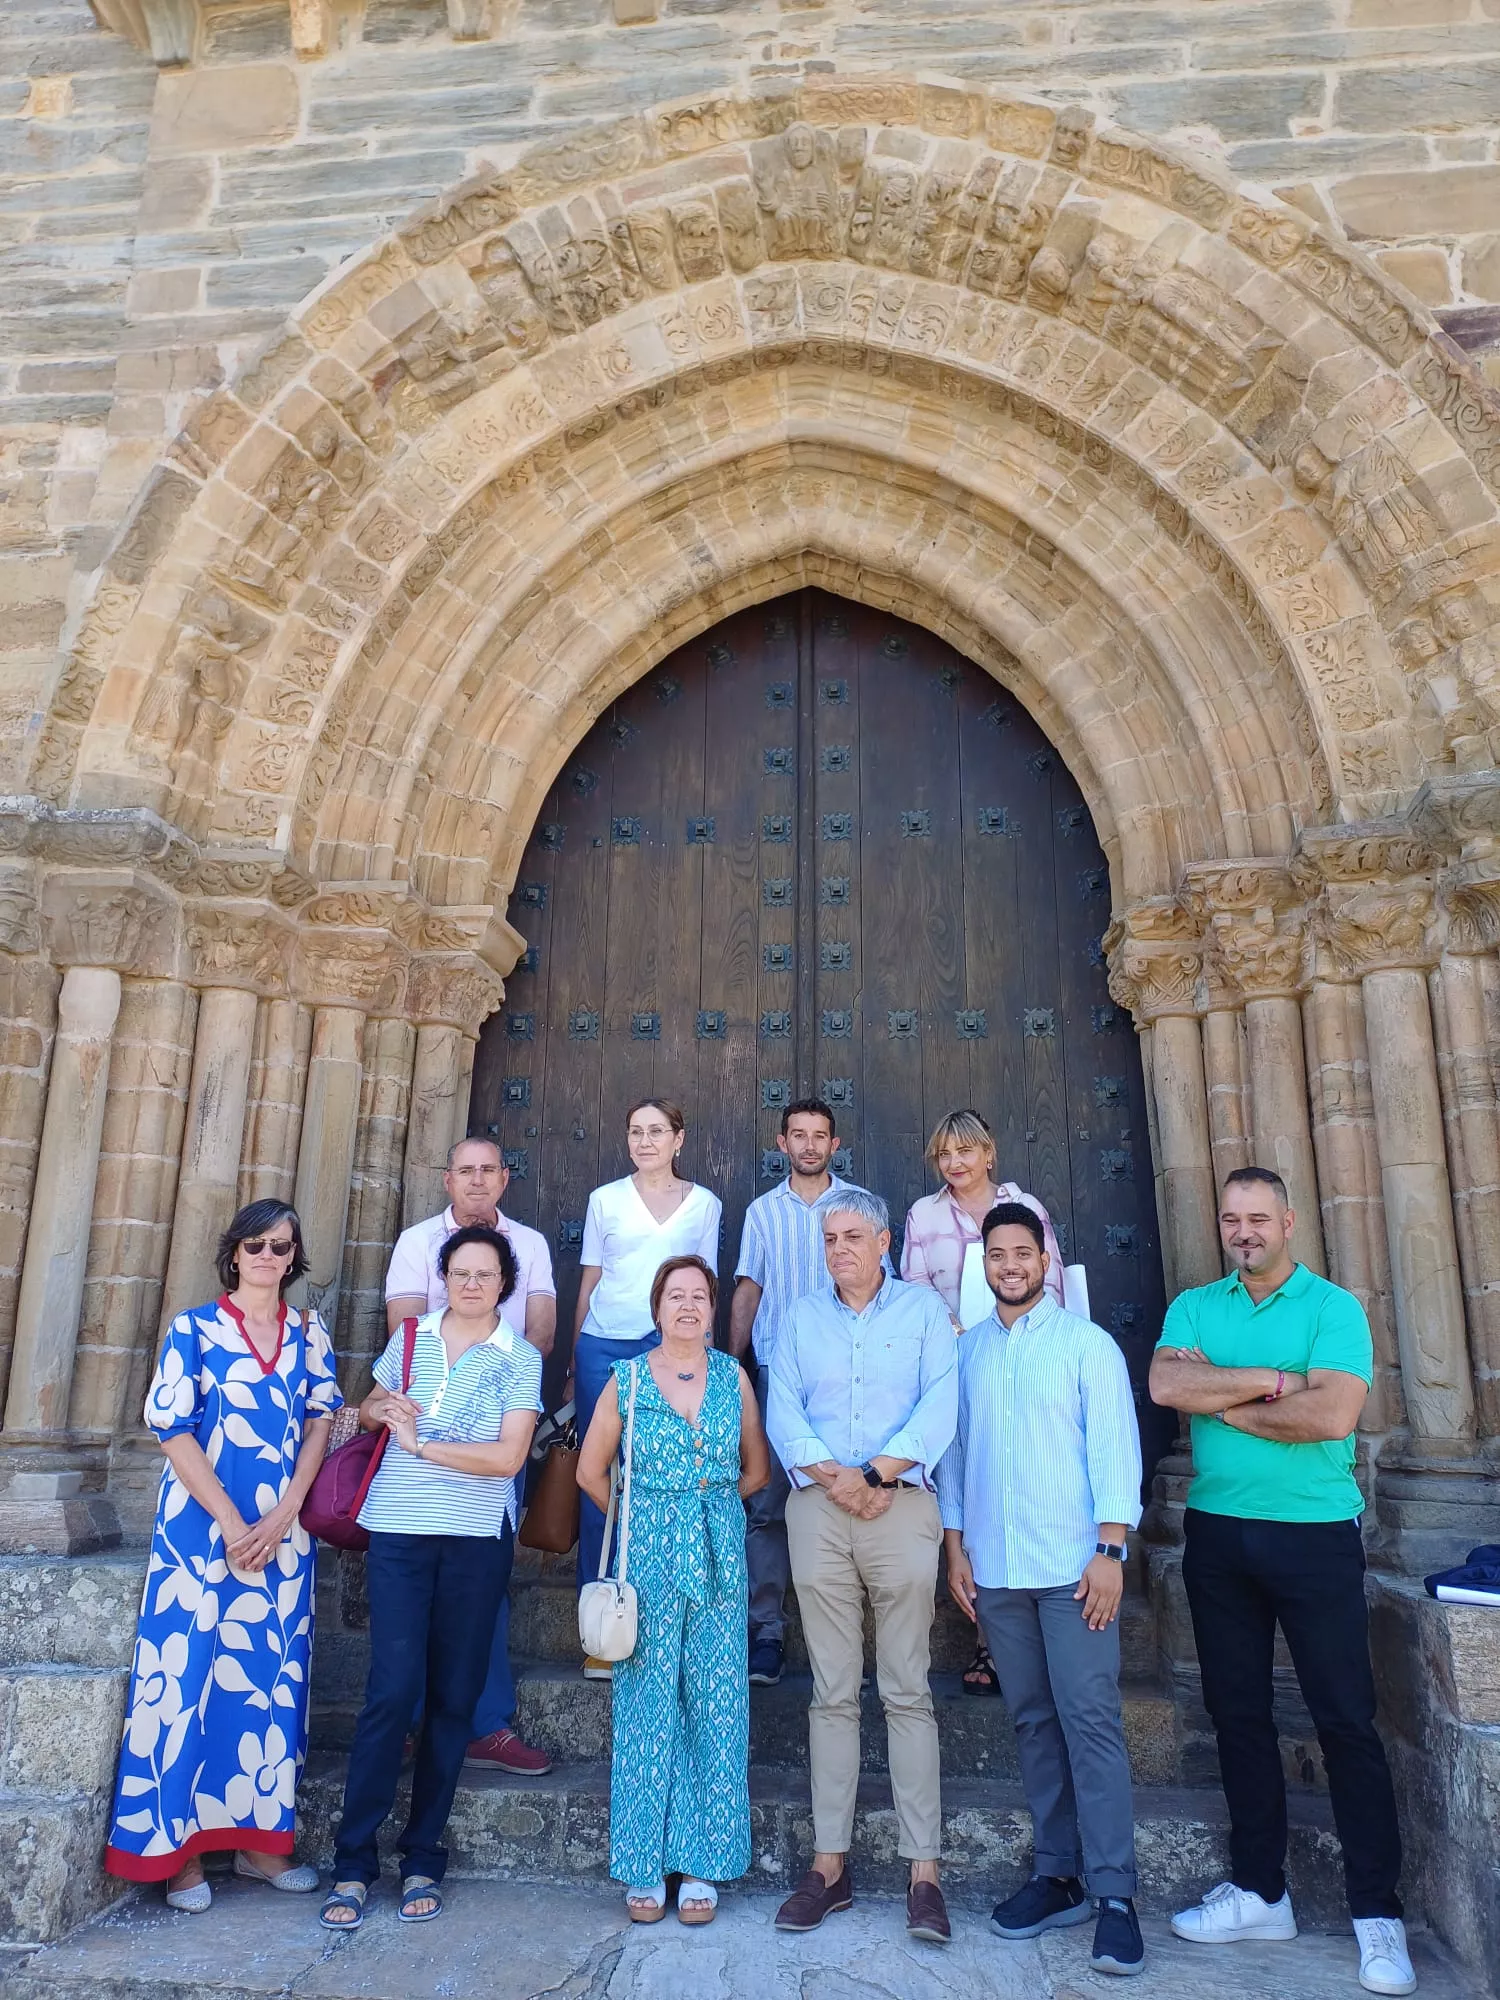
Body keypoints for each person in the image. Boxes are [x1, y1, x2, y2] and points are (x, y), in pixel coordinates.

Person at [1149, 1167, 1415, 1999]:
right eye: (1232, 1220)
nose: (1245, 1232)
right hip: (1220, 1533)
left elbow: (1333, 1416)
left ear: (1289, 1222)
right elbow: (1166, 1385)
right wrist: (1272, 1383)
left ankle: (1378, 1914)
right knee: (1238, 1716)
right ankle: (1263, 1891)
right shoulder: (1194, 1307)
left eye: (1259, 1218)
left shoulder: (1333, 1308)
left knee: (1345, 1719)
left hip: (1314, 1535)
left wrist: (1218, 1395)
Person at [105, 1201, 339, 1912]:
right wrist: (238, 1523)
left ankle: (261, 1848)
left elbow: (321, 1418)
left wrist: (287, 1510)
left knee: (267, 1681)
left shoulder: (308, 1332)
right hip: (204, 1533)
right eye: (258, 1245)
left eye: (282, 1247)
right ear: (234, 1251)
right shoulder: (194, 1329)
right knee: (187, 1682)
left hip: (282, 1535)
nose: (270, 1256)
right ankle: (179, 1859)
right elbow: (171, 1428)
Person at [939, 1202, 1145, 1978]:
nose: (1010, 1266)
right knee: (1030, 1720)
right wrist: (956, 1549)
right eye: (997, 1255)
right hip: (996, 1569)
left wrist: (1109, 1550)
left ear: (1045, 1258)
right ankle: (1056, 1876)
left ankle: (1116, 1895)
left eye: (1023, 1252)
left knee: (1090, 1720)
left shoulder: (1088, 1347)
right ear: (983, 1264)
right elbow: (955, 1460)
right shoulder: (969, 1356)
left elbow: (1115, 1451)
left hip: (1073, 1570)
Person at [321, 1225, 542, 1931]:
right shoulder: (410, 1337)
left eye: (485, 1274)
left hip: (477, 1541)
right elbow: (367, 1410)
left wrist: (427, 1445)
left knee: (452, 1700)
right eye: (460, 1273)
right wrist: (378, 1410)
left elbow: (508, 1459)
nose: (472, 1284)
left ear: (503, 1284)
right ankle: (353, 1863)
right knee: (390, 1693)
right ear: (444, 1277)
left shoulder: (521, 1357)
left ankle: (422, 1855)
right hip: (399, 1533)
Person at [766, 1189, 959, 1945]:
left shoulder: (921, 1314)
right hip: (819, 1508)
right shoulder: (800, 1318)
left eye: (853, 1236)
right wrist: (836, 1478)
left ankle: (925, 1874)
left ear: (884, 1241)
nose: (839, 1248)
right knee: (832, 1692)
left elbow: (942, 1404)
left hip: (901, 1504)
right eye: (829, 1238)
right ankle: (829, 1867)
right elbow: (784, 1409)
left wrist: (875, 1474)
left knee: (907, 1689)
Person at [578, 1254, 770, 1925]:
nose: (687, 1307)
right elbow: (590, 1472)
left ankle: (700, 1865)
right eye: (675, 1296)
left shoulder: (732, 1377)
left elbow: (755, 1470)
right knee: (648, 1706)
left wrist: (705, 1508)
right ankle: (644, 1863)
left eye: (699, 1296)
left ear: (713, 1309)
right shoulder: (626, 1381)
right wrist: (647, 1516)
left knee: (715, 1703)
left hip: (718, 1552)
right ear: (656, 1308)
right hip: (648, 1559)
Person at [385, 1134, 555, 1776]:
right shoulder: (416, 1243)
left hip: (498, 1429)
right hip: (420, 1434)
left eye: (489, 1170)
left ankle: (485, 1723)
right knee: (411, 1585)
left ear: (505, 1179)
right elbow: (404, 1331)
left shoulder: (531, 1246)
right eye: (466, 1171)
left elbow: (538, 1331)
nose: (478, 1181)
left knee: (485, 1576)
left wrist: (499, 1393)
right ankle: (405, 1721)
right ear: (447, 1179)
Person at [901, 1107, 1064, 1698]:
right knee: (967, 1487)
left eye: (964, 1152)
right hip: (959, 1366)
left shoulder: (1027, 1211)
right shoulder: (923, 1215)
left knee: (1016, 1487)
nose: (954, 1164)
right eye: (944, 1154)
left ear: (989, 1153)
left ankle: (1017, 1640)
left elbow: (1056, 1286)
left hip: (1023, 1368)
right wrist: (955, 1330)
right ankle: (986, 1634)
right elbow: (915, 1287)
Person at [571, 1097, 722, 1676]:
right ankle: (601, 1629)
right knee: (600, 1476)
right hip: (604, 1344)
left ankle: (666, 1620)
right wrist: (574, 1351)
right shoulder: (604, 1200)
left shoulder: (703, 1204)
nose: (645, 1140)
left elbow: (703, 1282)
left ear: (679, 1140)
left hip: (673, 1349)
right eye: (636, 1131)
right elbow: (591, 1275)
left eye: (657, 1131)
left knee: (672, 1474)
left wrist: (702, 1351)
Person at [728, 1096, 854, 1688]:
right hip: (776, 1374)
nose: (808, 1144)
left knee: (842, 1496)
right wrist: (732, 1366)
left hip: (843, 1375)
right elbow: (750, 1289)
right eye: (798, 1135)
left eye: (819, 1135)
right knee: (768, 1506)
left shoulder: (857, 1208)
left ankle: (845, 1639)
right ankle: (768, 1630)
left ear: (834, 1144)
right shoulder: (762, 1212)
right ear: (782, 1143)